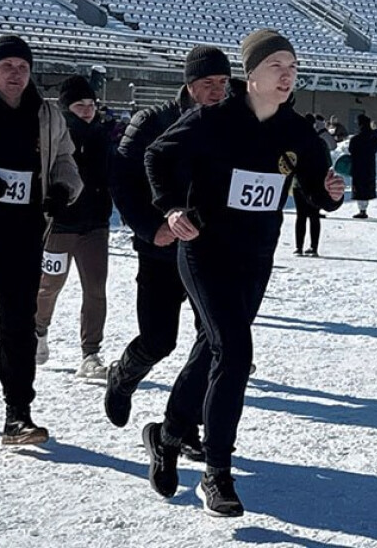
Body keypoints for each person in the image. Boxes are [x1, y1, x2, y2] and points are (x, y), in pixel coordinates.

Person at [142, 29, 345, 516]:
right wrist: (170, 210)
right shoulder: (214, 121)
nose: (287, 74)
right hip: (204, 252)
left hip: (255, 259)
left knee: (213, 349)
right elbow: (157, 157)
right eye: (276, 65)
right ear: (250, 74)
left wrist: (329, 194)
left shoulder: (298, 131)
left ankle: (167, 435)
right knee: (234, 351)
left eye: (293, 67)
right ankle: (216, 473)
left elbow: (315, 188)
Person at [105, 44, 231, 460]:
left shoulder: (232, 125)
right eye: (207, 83)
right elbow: (121, 179)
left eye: (223, 83)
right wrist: (149, 227)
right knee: (160, 340)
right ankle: (122, 376)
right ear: (190, 84)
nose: (217, 91)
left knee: (211, 343)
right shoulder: (152, 121)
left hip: (209, 254)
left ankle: (185, 424)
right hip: (161, 250)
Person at [0, 35, 83, 445]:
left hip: (24, 236)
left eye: (22, 66)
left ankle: (18, 415)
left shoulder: (46, 115)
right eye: (7, 65)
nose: (15, 73)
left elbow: (65, 159)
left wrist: (64, 189)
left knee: (18, 327)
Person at [32, 75, 112, 378]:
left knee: (95, 289)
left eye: (91, 104)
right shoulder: (52, 133)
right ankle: (38, 330)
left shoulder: (103, 134)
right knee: (49, 284)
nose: (89, 110)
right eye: (81, 105)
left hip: (95, 225)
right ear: (67, 107)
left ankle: (91, 352)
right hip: (61, 224)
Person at [295, 113, 334, 255]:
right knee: (314, 215)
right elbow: (328, 162)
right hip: (317, 184)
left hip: (299, 184)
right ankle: (314, 247)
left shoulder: (297, 142)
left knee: (300, 216)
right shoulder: (320, 142)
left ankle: (298, 247)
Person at [348, 114, 377, 219]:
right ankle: (364, 209)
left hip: (358, 167)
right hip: (369, 167)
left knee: (359, 189)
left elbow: (351, 150)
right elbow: (374, 150)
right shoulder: (372, 137)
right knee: (366, 187)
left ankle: (361, 210)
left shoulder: (355, 139)